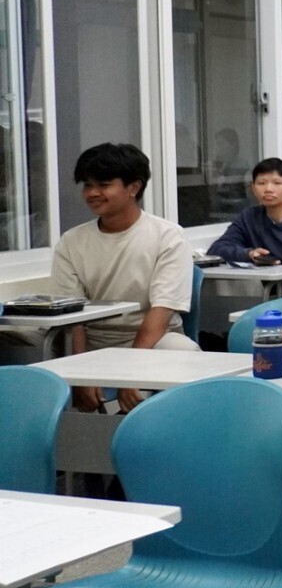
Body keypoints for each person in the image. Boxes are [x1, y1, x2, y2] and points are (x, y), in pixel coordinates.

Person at [44, 143, 199, 413]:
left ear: (133, 188)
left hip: (154, 339)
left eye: (103, 185)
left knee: (184, 354)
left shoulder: (167, 236)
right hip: (94, 343)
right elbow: (72, 318)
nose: (92, 193)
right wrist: (82, 374)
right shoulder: (72, 241)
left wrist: (131, 370)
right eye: (87, 185)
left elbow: (161, 312)